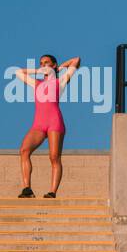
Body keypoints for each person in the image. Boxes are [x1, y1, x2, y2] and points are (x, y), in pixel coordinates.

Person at [15, 54, 79, 198]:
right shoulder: (36, 83)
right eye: (41, 63)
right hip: (38, 124)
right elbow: (18, 72)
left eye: (47, 63)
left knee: (54, 157)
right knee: (24, 150)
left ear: (54, 65)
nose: (44, 65)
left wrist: (60, 68)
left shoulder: (60, 81)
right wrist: (39, 71)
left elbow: (76, 60)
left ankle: (52, 192)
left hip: (54, 122)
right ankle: (27, 189)